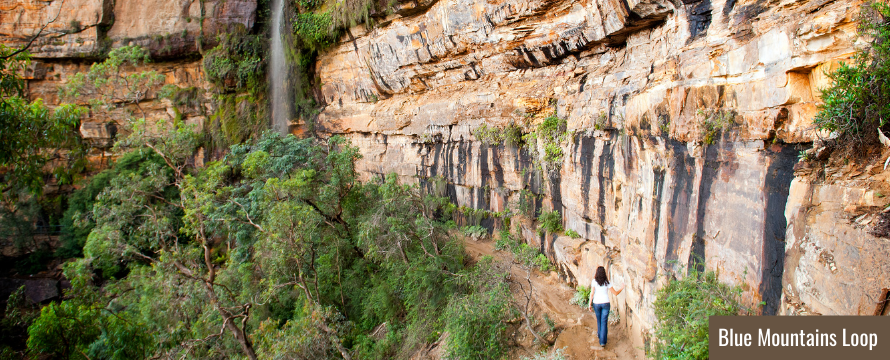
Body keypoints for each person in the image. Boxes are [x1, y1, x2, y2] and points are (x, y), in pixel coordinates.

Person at [587, 266, 624, 348]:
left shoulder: (594, 282)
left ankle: (600, 335)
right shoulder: (607, 282)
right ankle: (602, 341)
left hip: (596, 303)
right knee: (604, 322)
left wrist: (589, 304)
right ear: (604, 273)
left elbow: (592, 293)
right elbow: (615, 293)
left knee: (599, 320)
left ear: (597, 273)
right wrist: (621, 288)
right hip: (605, 303)